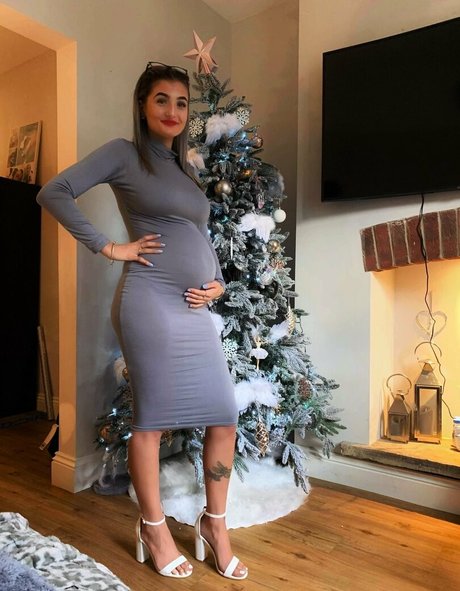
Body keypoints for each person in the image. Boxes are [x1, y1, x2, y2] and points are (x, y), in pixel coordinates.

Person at [36, 62, 248, 581]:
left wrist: (218, 281)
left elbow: (197, 235)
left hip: (194, 308)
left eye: (182, 102)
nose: (173, 110)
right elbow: (54, 192)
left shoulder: (185, 169)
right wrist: (110, 247)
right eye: (162, 99)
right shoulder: (123, 154)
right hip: (149, 303)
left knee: (225, 417)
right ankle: (153, 528)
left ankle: (214, 525)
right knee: (150, 422)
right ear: (142, 105)